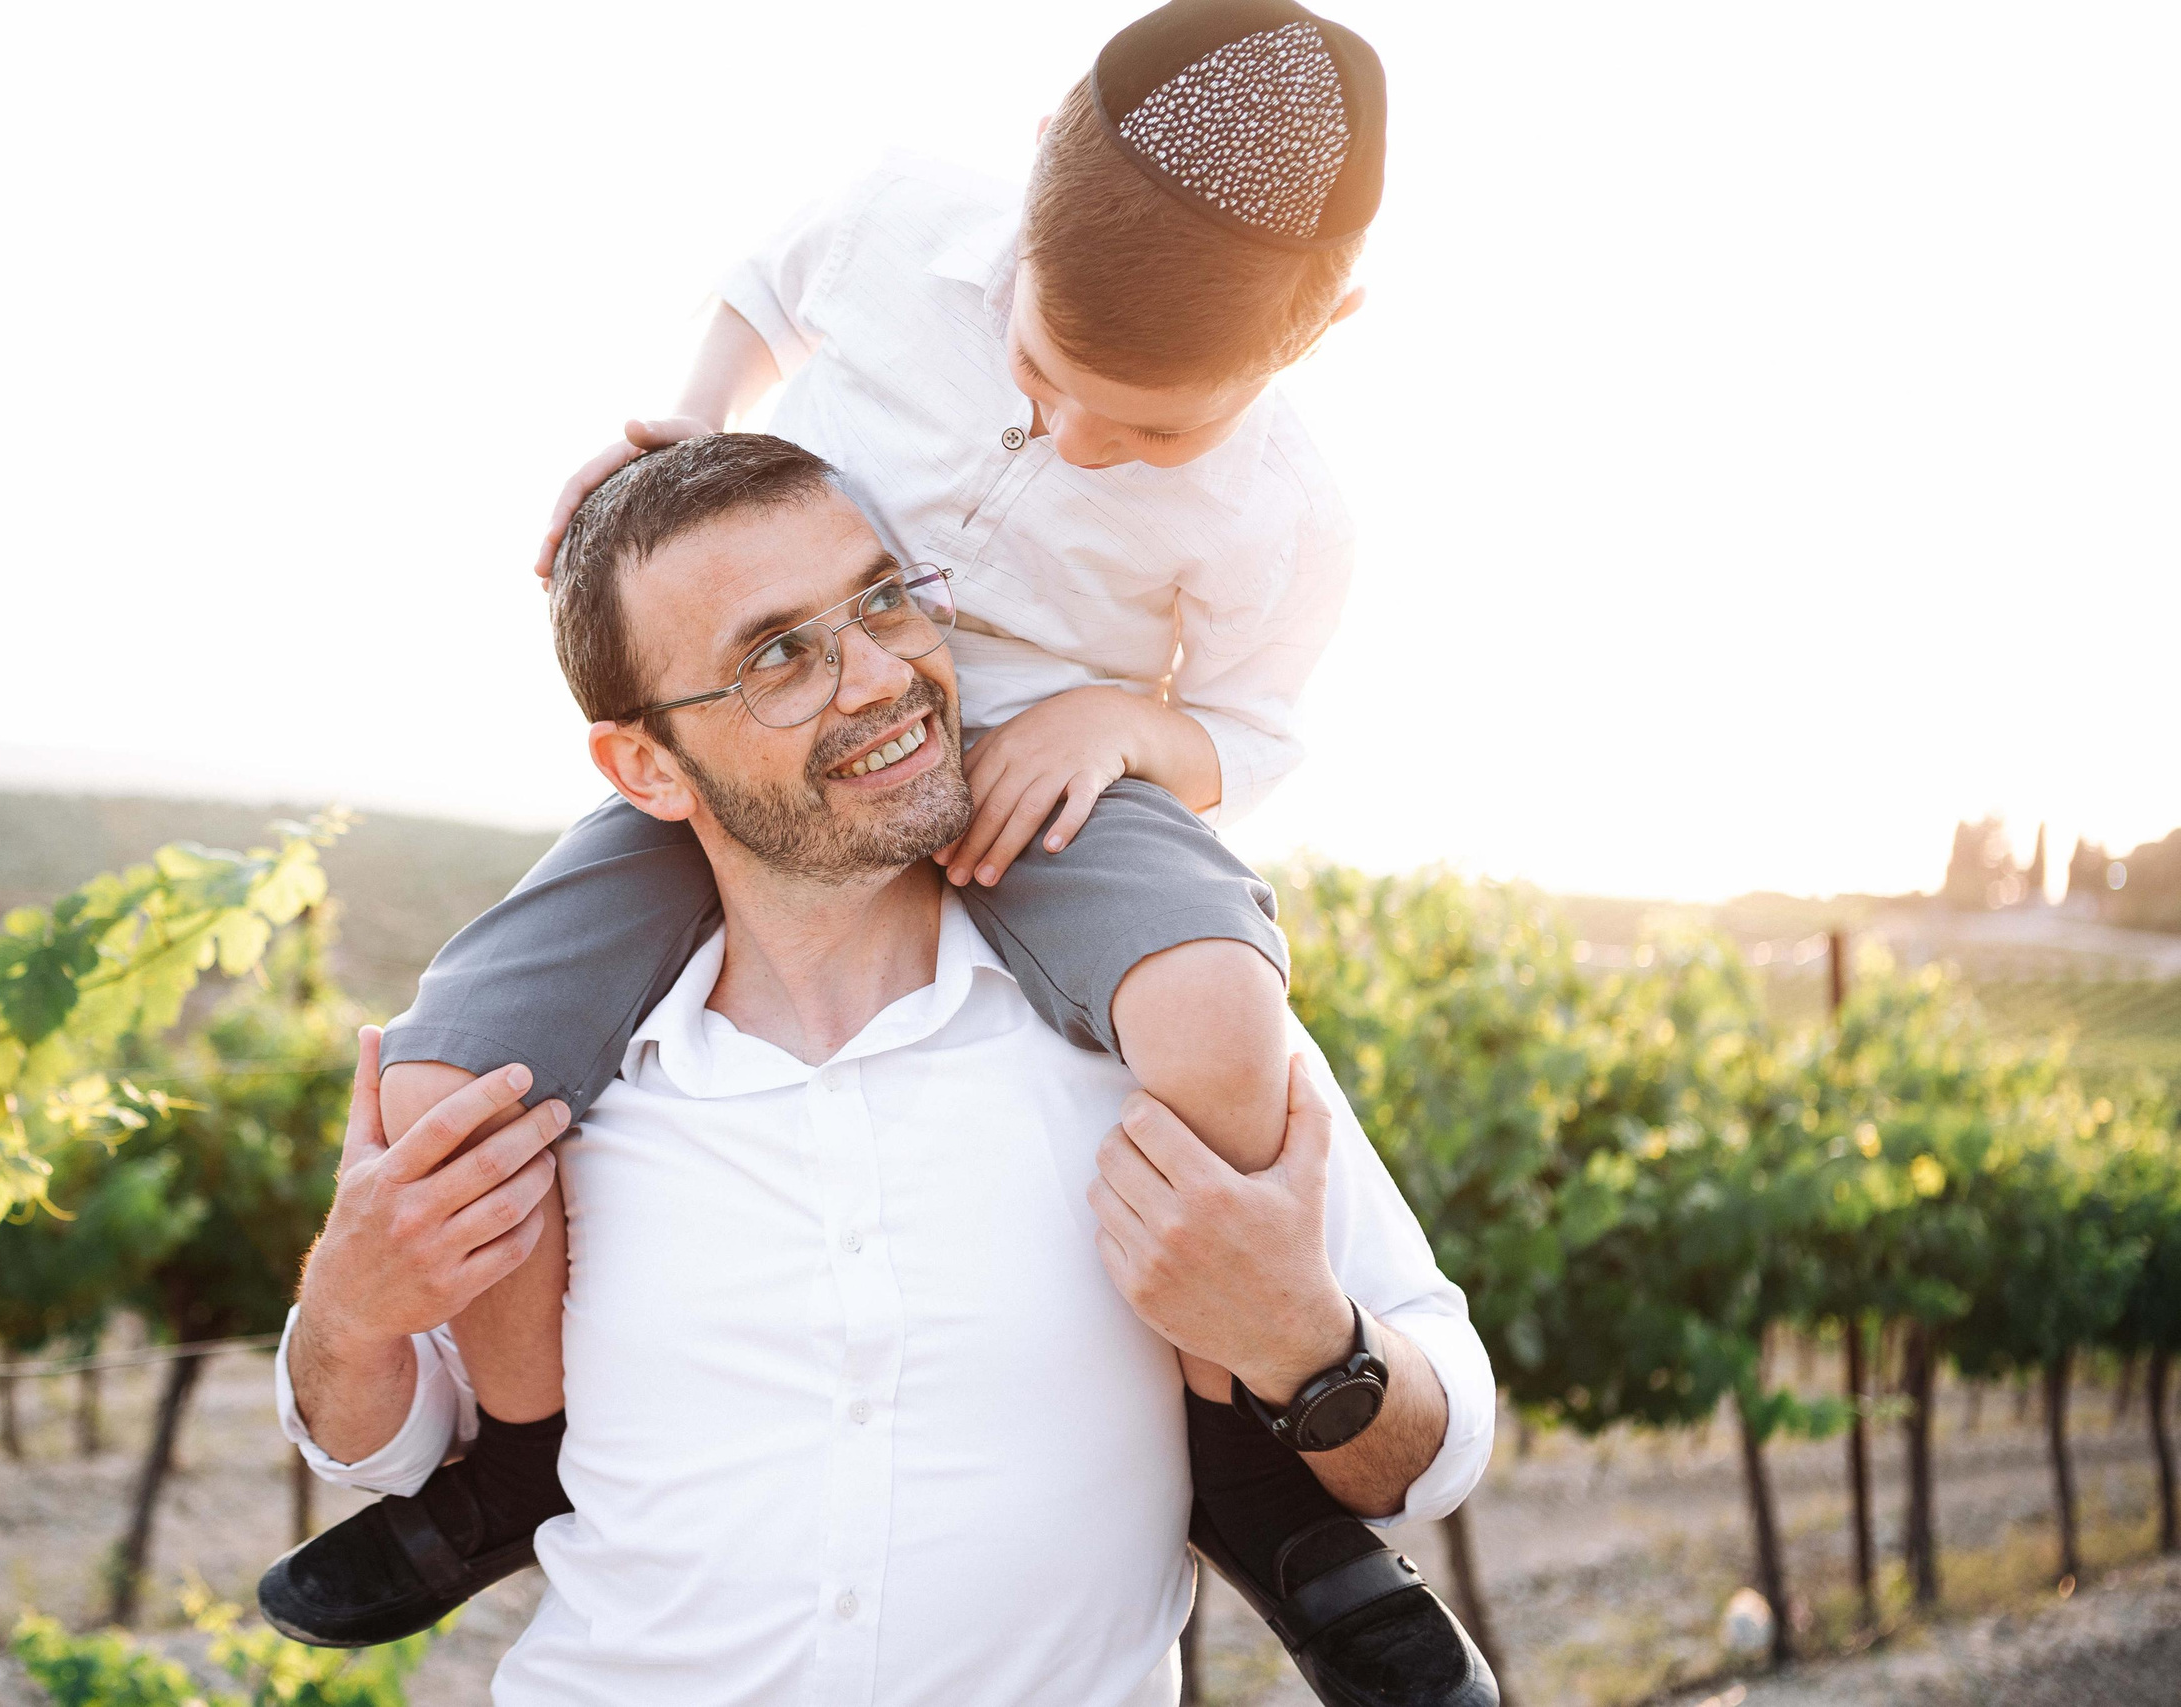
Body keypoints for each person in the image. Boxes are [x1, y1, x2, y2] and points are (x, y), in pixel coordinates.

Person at [275, 435, 1495, 1706]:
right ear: (644, 766)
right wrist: (350, 1316)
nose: (879, 677)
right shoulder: (562, 1097)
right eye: (776, 657)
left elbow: (1436, 1447)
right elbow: (400, 1450)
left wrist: (1308, 1347)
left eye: (883, 601)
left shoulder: (1159, 1039)